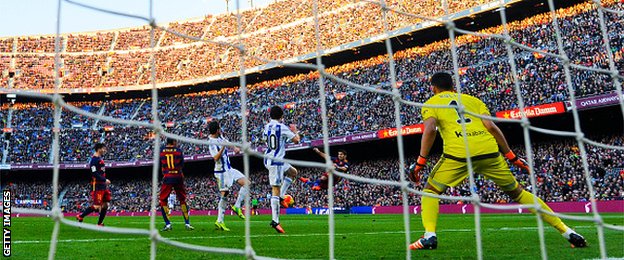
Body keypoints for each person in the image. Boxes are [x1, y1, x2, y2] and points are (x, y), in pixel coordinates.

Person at [408, 72, 587, 250]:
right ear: (453, 86)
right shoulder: (473, 100)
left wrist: (421, 162)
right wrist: (512, 157)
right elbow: (492, 127)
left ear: (433, 88)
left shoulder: (431, 103)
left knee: (430, 191)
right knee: (518, 193)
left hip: (459, 153)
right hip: (489, 150)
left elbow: (430, 129)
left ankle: (430, 236)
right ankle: (567, 231)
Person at [263, 106, 300, 233]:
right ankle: (275, 220)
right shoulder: (282, 127)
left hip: (270, 158)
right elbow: (296, 140)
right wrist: (295, 131)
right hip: (276, 162)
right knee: (275, 189)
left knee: (293, 172)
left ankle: (282, 196)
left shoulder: (267, 126)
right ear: (281, 116)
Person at [208, 120, 250, 232]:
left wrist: (235, 148)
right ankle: (220, 221)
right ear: (217, 130)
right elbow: (215, 158)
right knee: (224, 195)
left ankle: (237, 206)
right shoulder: (211, 142)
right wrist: (222, 148)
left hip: (229, 169)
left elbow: (228, 143)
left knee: (247, 183)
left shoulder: (221, 138)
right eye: (219, 128)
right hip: (220, 172)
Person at [159, 139, 194, 231]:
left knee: (163, 200)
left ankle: (168, 224)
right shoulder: (178, 151)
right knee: (182, 199)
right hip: (178, 176)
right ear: (173, 142)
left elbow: (161, 165)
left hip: (167, 177)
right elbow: (182, 165)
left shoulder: (161, 150)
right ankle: (187, 223)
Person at [76, 143, 111, 226]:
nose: (104, 150)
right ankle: (80, 216)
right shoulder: (94, 160)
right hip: (97, 185)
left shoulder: (99, 159)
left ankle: (99, 223)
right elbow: (94, 173)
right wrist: (104, 179)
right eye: (103, 148)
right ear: (99, 149)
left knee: (105, 205)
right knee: (96, 206)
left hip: (103, 185)